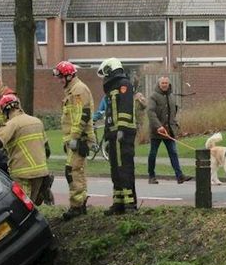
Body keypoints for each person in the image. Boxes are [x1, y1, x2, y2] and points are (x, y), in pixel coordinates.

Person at [54, 61, 94, 220]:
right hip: (75, 138)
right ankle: (80, 203)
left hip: (79, 139)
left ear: (69, 75)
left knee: (72, 171)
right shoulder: (72, 90)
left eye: (61, 77)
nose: (60, 81)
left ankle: (77, 206)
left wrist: (74, 138)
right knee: (77, 171)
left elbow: (82, 116)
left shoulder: (78, 90)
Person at [98, 58, 138, 213]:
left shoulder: (124, 85)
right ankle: (119, 202)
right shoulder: (113, 88)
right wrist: (108, 134)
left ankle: (130, 204)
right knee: (115, 169)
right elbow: (110, 113)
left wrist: (121, 129)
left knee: (125, 168)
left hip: (124, 134)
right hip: (114, 134)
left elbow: (125, 108)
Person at [147, 75, 189, 185]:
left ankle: (180, 176)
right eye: (162, 83)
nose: (164, 85)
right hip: (157, 131)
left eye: (166, 83)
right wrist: (158, 126)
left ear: (168, 84)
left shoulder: (171, 96)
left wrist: (176, 125)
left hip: (169, 131)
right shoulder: (153, 96)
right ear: (159, 84)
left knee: (173, 153)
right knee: (153, 153)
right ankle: (151, 176)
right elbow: (150, 112)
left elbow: (173, 112)